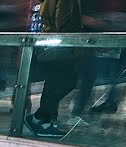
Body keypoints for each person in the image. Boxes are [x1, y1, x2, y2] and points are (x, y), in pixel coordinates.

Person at [24, 0, 83, 138]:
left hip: (51, 44)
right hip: (63, 46)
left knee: (52, 85)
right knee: (68, 82)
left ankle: (45, 123)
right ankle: (38, 118)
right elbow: (63, 22)